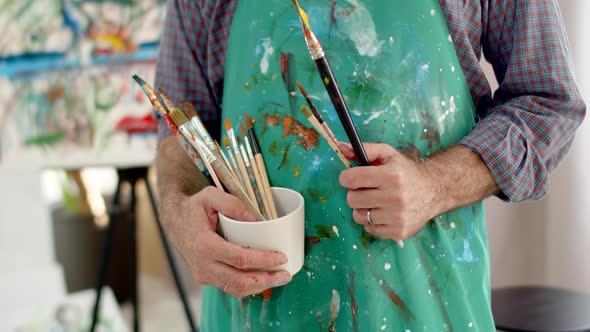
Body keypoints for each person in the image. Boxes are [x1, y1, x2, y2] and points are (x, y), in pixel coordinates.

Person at [154, 0, 586, 331]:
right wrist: (179, 212)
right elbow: (180, 129)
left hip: (428, 309)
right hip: (251, 314)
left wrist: (434, 184)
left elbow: (547, 103)